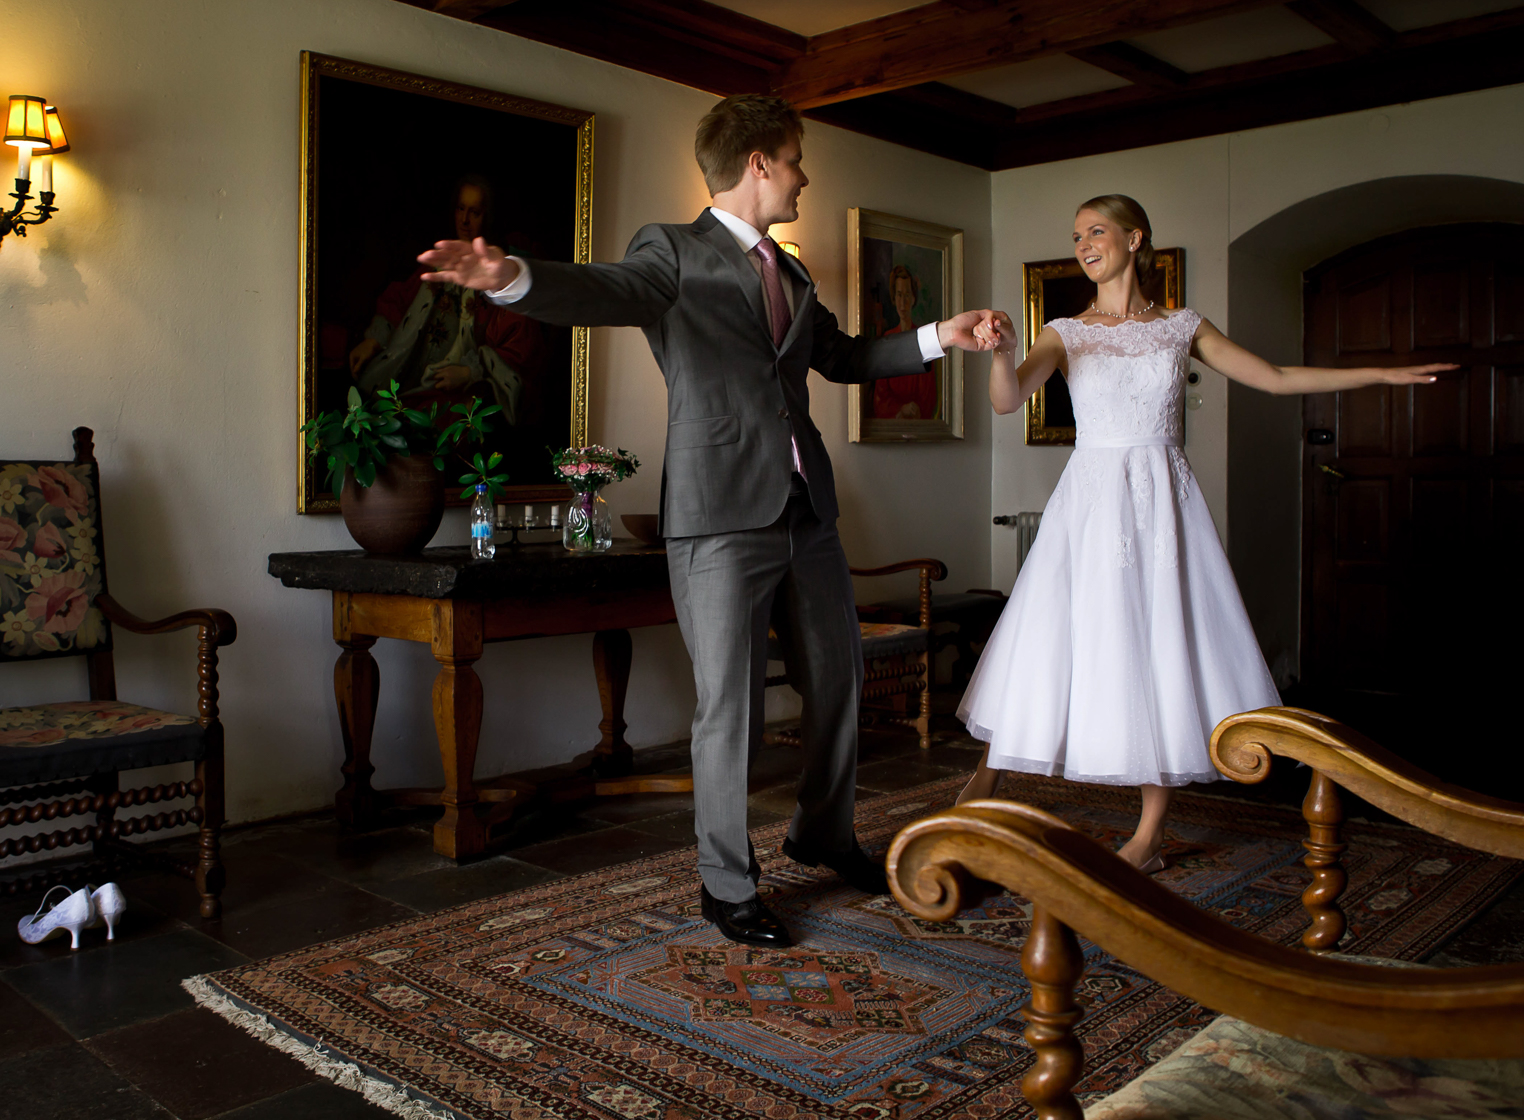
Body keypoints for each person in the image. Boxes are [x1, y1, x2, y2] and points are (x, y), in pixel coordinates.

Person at [417, 94, 997, 946]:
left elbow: (842, 358)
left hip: (807, 511)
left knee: (838, 683)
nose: (803, 173)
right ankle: (727, 885)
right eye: (796, 157)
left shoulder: (792, 272)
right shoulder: (672, 250)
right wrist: (511, 278)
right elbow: (604, 291)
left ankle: (824, 834)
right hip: (719, 515)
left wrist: (941, 335)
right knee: (732, 707)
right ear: (759, 162)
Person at [955, 195, 1454, 872]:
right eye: (1076, 235)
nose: (1083, 243)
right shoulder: (1065, 330)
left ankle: (1150, 830)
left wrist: (1379, 373)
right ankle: (986, 782)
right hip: (1092, 502)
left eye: (1096, 231)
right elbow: (1008, 399)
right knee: (1053, 633)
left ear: (1136, 239)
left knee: (1159, 642)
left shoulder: (1181, 327)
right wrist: (1004, 353)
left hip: (1161, 503)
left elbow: (1273, 378)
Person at [348, 174, 545, 426]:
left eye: (474, 212)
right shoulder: (440, 265)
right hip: (409, 380)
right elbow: (399, 300)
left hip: (457, 394)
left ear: (489, 217)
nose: (464, 221)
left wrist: (470, 372)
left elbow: (519, 350)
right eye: (460, 209)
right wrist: (375, 338)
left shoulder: (500, 278)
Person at [870, 265, 939, 421]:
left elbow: (928, 393)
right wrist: (900, 409)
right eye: (899, 295)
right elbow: (880, 395)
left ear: (913, 298)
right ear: (894, 299)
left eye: (907, 295)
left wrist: (914, 410)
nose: (903, 302)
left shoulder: (923, 339)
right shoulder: (886, 341)